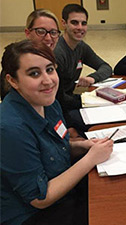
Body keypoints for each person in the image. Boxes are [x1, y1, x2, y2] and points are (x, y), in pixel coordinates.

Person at [0, 39, 113, 225]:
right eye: (34, 73)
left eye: (50, 69)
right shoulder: (10, 129)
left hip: (60, 185)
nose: (48, 80)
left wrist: (84, 146)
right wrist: (90, 158)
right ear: (13, 81)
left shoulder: (48, 103)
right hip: (30, 215)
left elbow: (56, 147)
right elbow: (40, 198)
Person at [54, 4, 112, 130]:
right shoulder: (58, 53)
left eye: (83, 23)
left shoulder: (81, 47)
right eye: (74, 23)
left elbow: (106, 67)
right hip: (58, 107)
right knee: (100, 123)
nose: (80, 28)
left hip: (70, 100)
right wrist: (86, 101)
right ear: (64, 23)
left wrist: (92, 78)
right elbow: (57, 97)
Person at [1, 9, 61, 101]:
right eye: (41, 31)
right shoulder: (15, 59)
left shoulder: (55, 57)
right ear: (28, 33)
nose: (48, 38)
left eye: (53, 32)